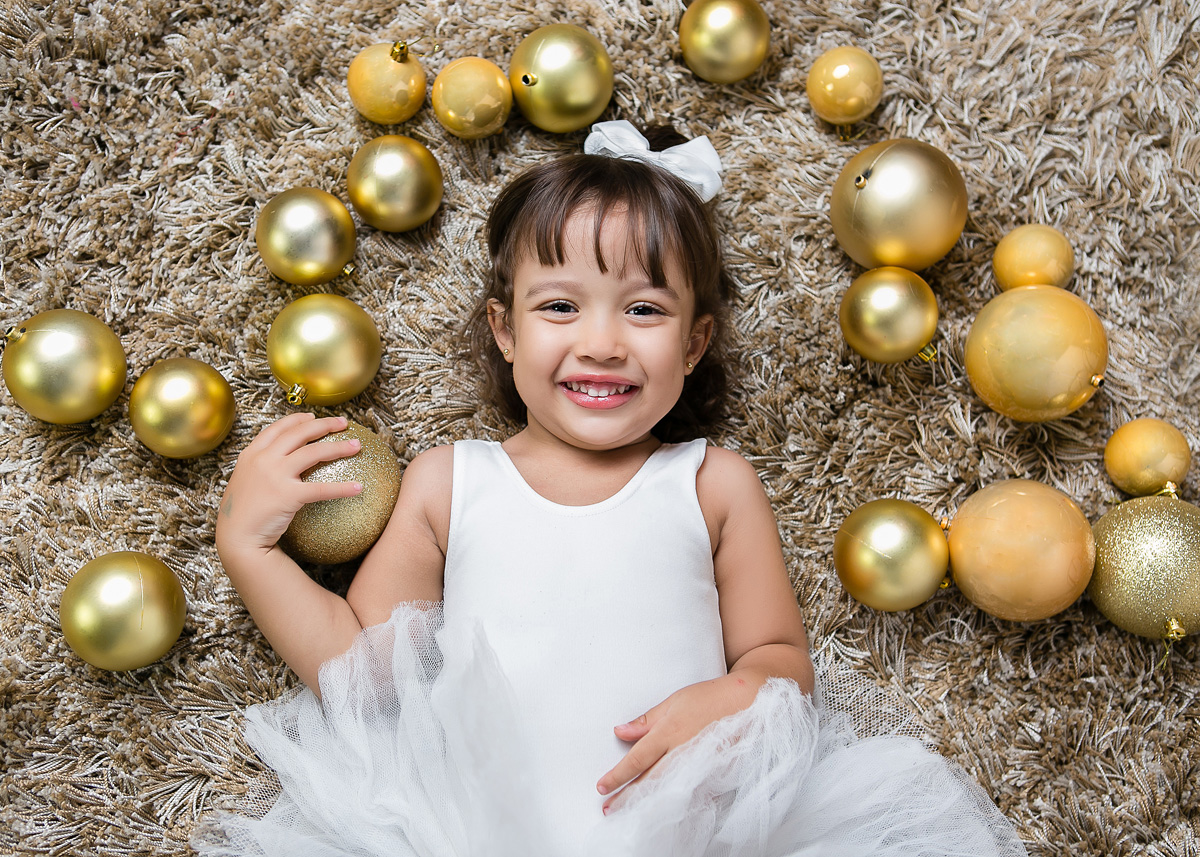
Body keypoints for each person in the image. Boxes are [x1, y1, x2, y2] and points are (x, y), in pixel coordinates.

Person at [197, 121, 1027, 857]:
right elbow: (364, 677)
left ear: (696, 342)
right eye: (560, 305)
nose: (601, 343)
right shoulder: (452, 482)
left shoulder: (710, 484)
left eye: (643, 310)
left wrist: (731, 695)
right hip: (471, 831)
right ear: (505, 330)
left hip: (696, 830)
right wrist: (251, 548)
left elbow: (779, 662)